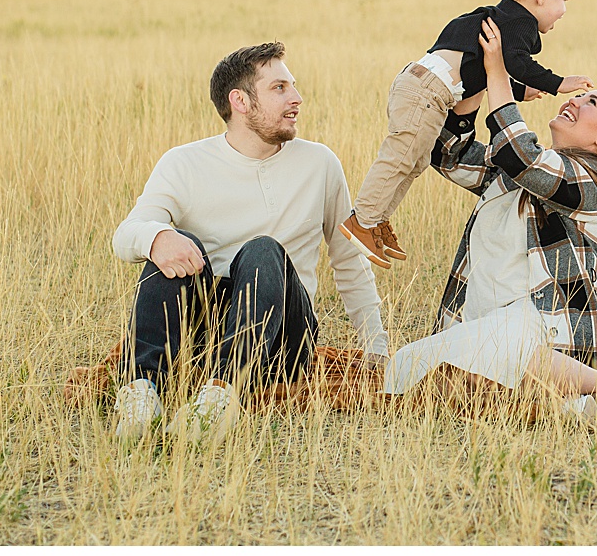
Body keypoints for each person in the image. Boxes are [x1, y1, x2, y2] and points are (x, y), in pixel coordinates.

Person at [380, 17, 597, 414]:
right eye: (580, 97)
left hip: (547, 337)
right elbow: (447, 153)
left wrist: (500, 69)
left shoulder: (592, 185)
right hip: (482, 330)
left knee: (500, 349)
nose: (573, 101)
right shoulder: (520, 174)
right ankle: (562, 405)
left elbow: (521, 155)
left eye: (591, 103)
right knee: (403, 370)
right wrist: (479, 77)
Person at [108, 42, 390, 444]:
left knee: (263, 249)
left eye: (293, 86)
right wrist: (158, 237)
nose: (296, 98)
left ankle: (220, 401)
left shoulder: (320, 163)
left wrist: (375, 347)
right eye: (279, 88)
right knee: (169, 240)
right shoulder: (184, 163)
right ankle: (141, 394)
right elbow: (125, 234)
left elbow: (348, 261)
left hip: (283, 339)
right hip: (203, 335)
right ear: (239, 101)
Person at [341, 0, 592, 269]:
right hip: (426, 92)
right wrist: (558, 83)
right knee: (401, 157)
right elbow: (515, 62)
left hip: (426, 90)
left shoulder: (497, 18)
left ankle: (375, 221)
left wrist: (519, 90)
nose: (564, 10)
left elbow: (485, 70)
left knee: (414, 162)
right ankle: (362, 220)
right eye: (565, 0)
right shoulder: (520, 23)